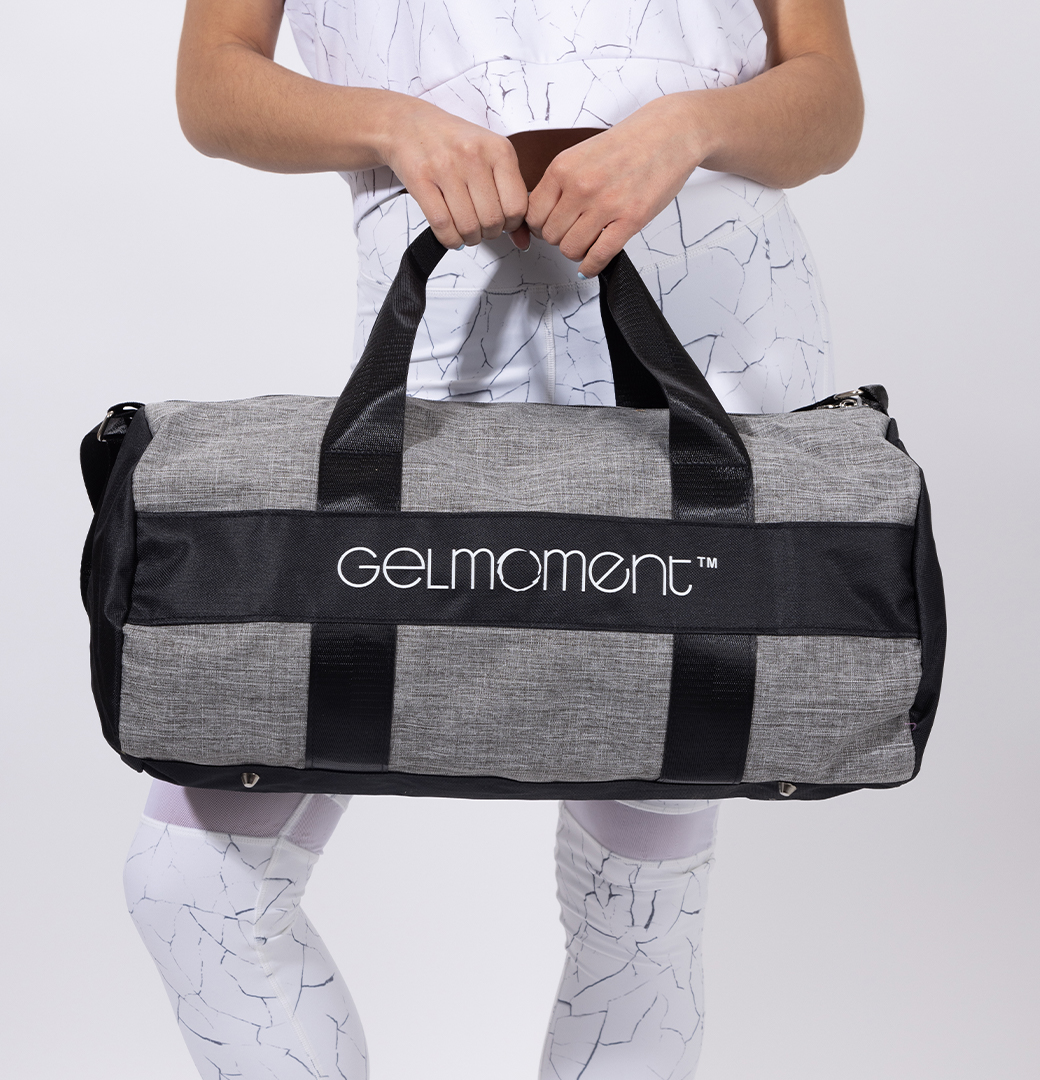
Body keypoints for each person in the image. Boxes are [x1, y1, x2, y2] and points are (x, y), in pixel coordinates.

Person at [123, 2, 864, 1077]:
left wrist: (688, 127)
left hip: (699, 358)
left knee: (637, 912)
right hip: (441, 371)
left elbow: (828, 103)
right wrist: (392, 124)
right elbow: (213, 85)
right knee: (191, 880)